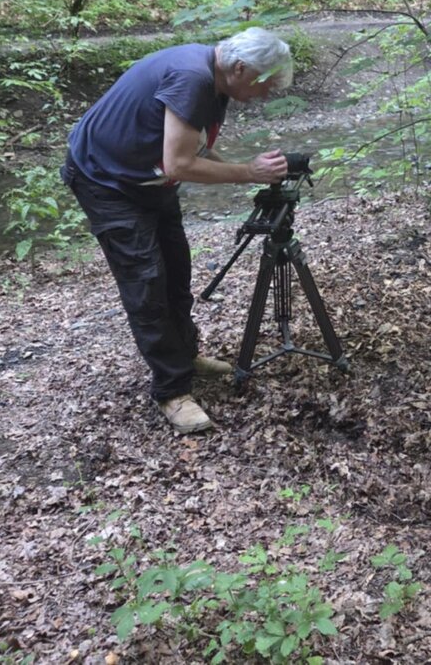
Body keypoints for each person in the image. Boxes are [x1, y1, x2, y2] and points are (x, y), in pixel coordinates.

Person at [61, 27, 293, 434]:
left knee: (175, 272)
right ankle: (172, 391)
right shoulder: (193, 78)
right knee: (147, 283)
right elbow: (179, 165)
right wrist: (246, 172)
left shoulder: (216, 78)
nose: (265, 95)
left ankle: (184, 357)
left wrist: (243, 170)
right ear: (241, 68)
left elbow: (193, 145)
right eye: (265, 84)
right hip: (107, 182)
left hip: (148, 180)